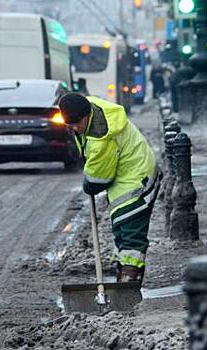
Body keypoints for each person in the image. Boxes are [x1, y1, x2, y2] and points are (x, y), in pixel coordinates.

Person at [59, 93, 162, 282]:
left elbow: (99, 179)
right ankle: (122, 273)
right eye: (69, 124)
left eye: (76, 123)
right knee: (122, 229)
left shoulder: (101, 137)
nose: (74, 128)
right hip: (130, 171)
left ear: (86, 115)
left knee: (131, 233)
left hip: (136, 179)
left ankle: (130, 278)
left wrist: (88, 184)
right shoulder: (91, 107)